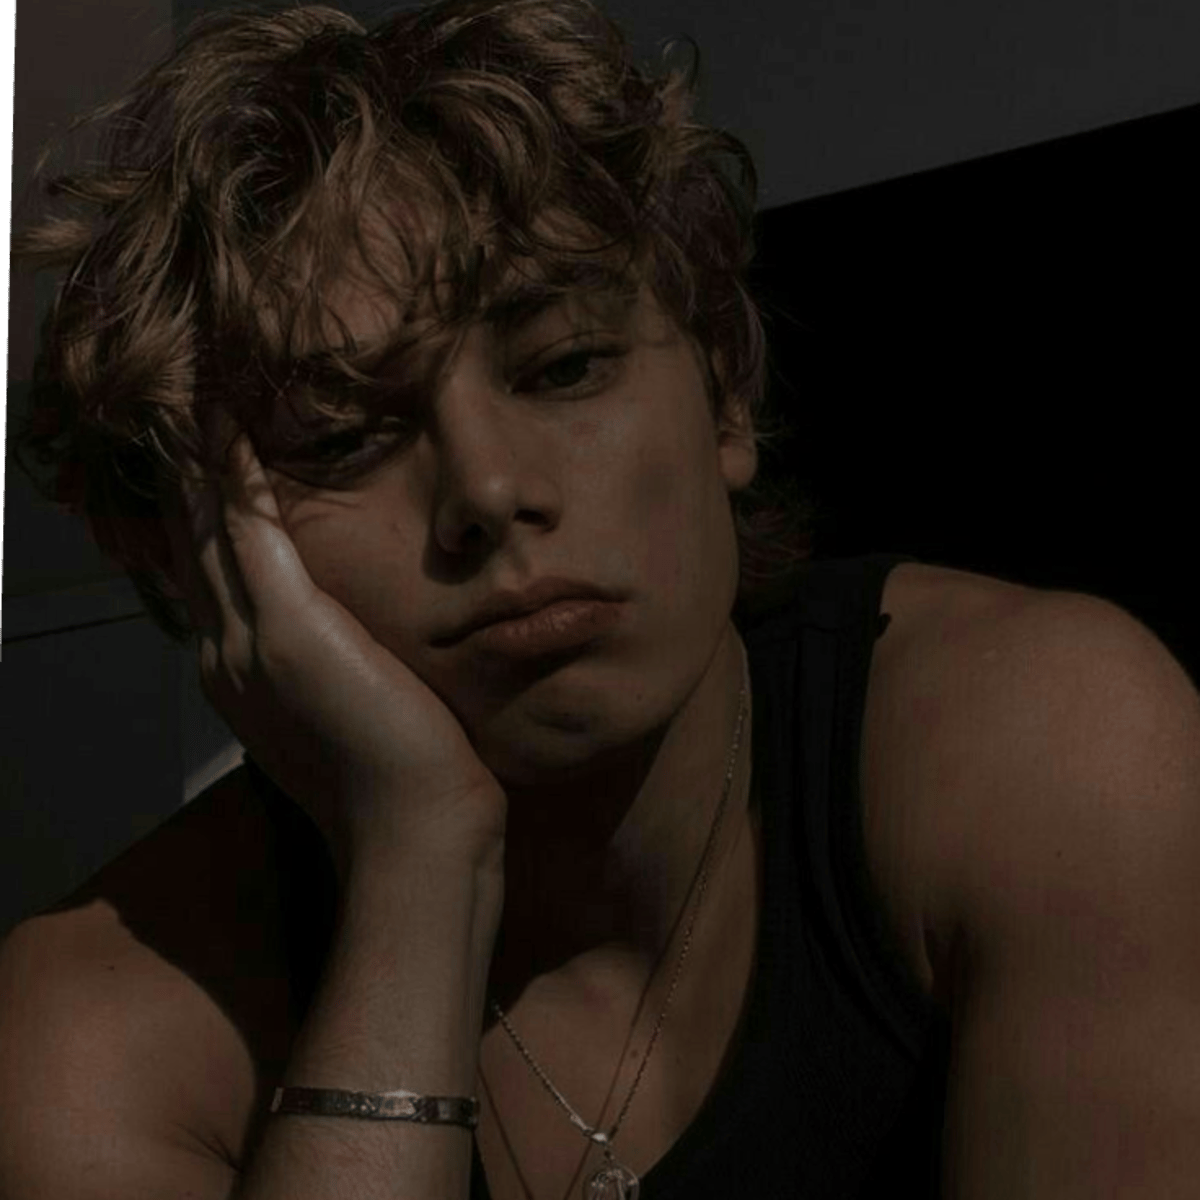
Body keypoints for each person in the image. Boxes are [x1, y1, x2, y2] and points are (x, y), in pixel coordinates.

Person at [3, 2, 1200, 1198]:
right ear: (191, 548)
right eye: (343, 435)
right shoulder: (95, 1036)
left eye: (564, 366)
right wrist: (420, 861)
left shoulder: (1051, 743)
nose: (488, 490)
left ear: (724, 393)